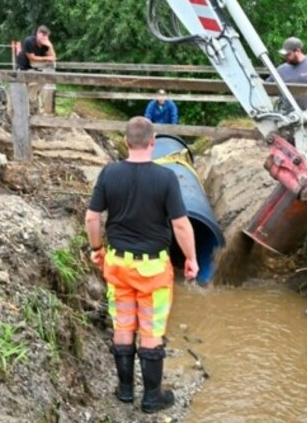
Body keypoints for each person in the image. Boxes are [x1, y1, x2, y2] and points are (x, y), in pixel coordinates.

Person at [85, 116, 198, 414]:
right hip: (152, 270)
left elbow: (92, 218)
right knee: (150, 330)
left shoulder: (109, 173)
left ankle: (124, 391)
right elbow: (181, 226)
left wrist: (97, 248)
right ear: (153, 142)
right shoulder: (166, 178)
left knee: (122, 325)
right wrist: (191, 259)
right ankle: (151, 398)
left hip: (118, 265)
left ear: (126, 141)